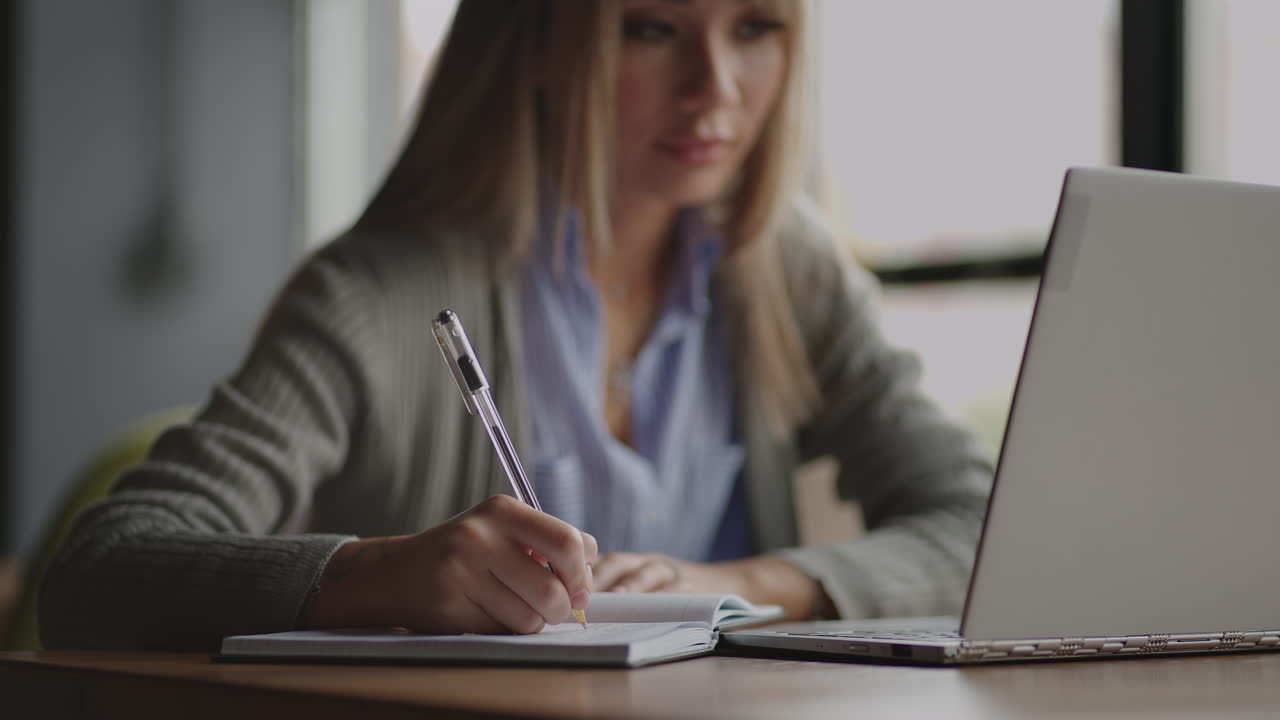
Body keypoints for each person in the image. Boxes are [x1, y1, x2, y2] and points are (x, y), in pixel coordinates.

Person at [39, 0, 992, 650]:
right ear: (536, 42)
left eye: (756, 26)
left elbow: (985, 529)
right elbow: (97, 571)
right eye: (653, 26)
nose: (719, 85)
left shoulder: (786, 270)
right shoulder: (374, 297)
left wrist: (742, 581)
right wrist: (382, 576)